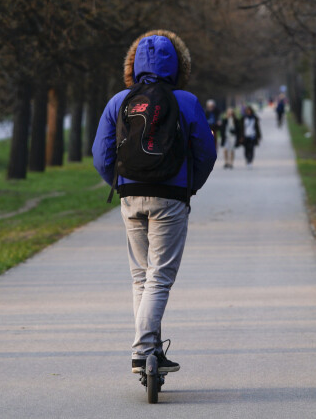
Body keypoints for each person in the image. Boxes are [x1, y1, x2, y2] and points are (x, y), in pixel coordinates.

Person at [92, 30, 216, 375]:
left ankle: (151, 351)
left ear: (132, 65)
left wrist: (121, 184)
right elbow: (206, 153)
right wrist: (190, 187)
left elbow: (100, 156)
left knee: (140, 277)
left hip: (130, 196)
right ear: (179, 66)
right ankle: (144, 350)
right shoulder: (186, 102)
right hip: (171, 197)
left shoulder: (119, 102)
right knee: (159, 277)